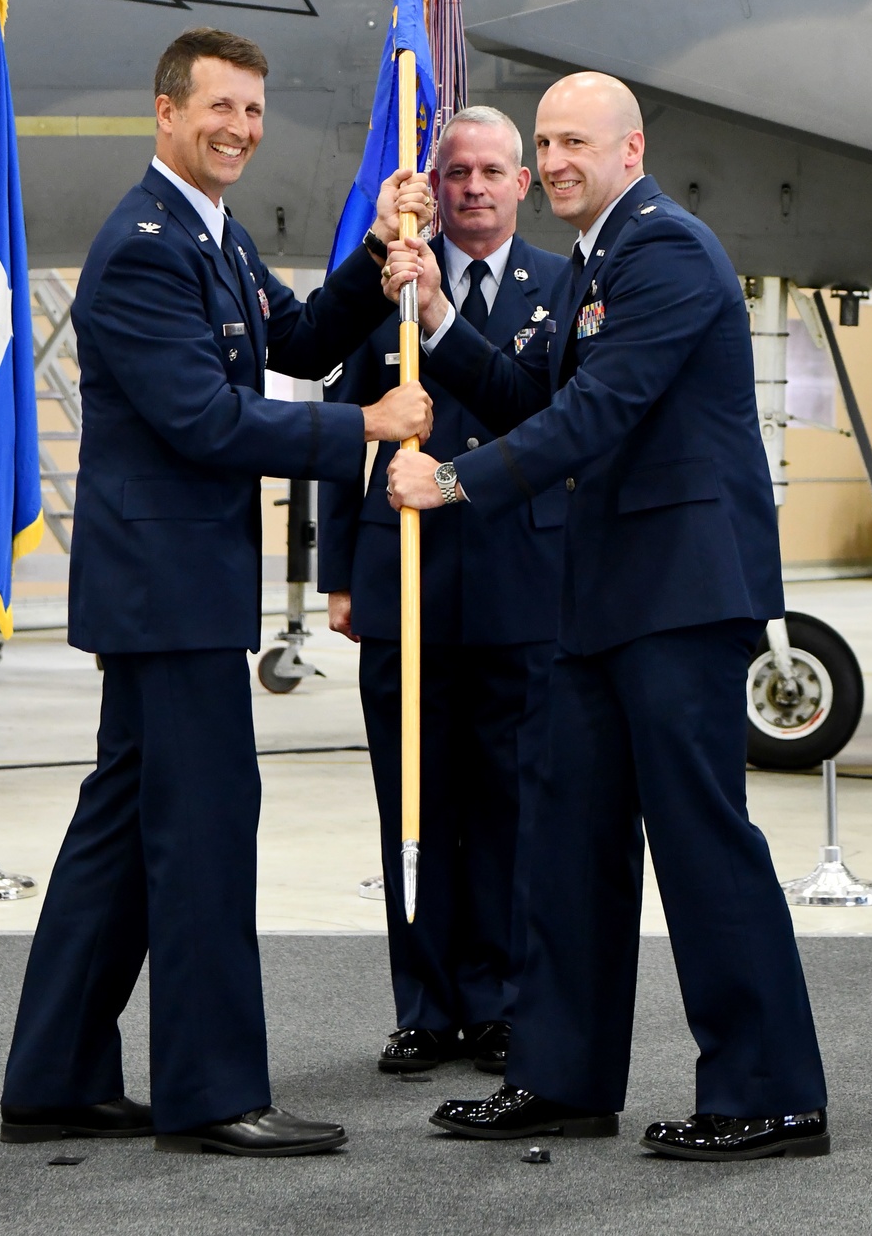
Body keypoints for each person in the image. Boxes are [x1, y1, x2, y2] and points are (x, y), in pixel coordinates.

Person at [0, 27, 433, 1158]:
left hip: (174, 589)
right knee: (201, 836)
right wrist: (363, 431)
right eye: (219, 108)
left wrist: (373, 253)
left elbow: (287, 338)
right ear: (165, 111)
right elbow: (204, 419)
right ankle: (211, 1091)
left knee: (118, 833)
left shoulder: (213, 233)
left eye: (252, 109)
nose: (239, 128)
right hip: (167, 593)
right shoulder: (145, 245)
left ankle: (52, 1073)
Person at [384, 72, 829, 1161]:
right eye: (548, 140)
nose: (558, 159)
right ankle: (561, 1074)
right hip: (602, 600)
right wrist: (437, 319)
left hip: (677, 593)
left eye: (577, 139)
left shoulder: (666, 249)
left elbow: (599, 409)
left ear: (631, 149)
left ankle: (769, 1092)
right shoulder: (597, 262)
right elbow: (532, 389)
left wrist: (454, 482)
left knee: (698, 842)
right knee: (567, 842)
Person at [318, 106, 568, 1076]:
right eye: (455, 170)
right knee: (411, 804)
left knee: (507, 804)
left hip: (517, 580)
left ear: (522, 183)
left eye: (490, 171)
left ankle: (497, 997)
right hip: (401, 577)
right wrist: (335, 573)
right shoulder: (381, 288)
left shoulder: (561, 288)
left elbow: (550, 417)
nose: (470, 187)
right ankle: (422, 1005)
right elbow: (346, 438)